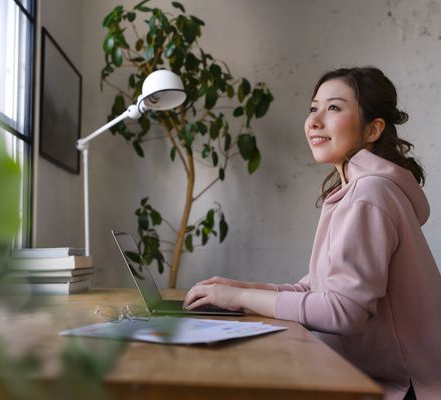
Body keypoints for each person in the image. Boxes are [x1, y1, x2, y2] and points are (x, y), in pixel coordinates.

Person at [183, 67, 441, 400]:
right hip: (381, 380)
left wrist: (239, 299)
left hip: (407, 389)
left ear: (373, 129)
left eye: (333, 108)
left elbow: (343, 312)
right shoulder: (357, 190)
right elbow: (317, 288)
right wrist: (237, 289)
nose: (314, 121)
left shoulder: (369, 194)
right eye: (313, 108)